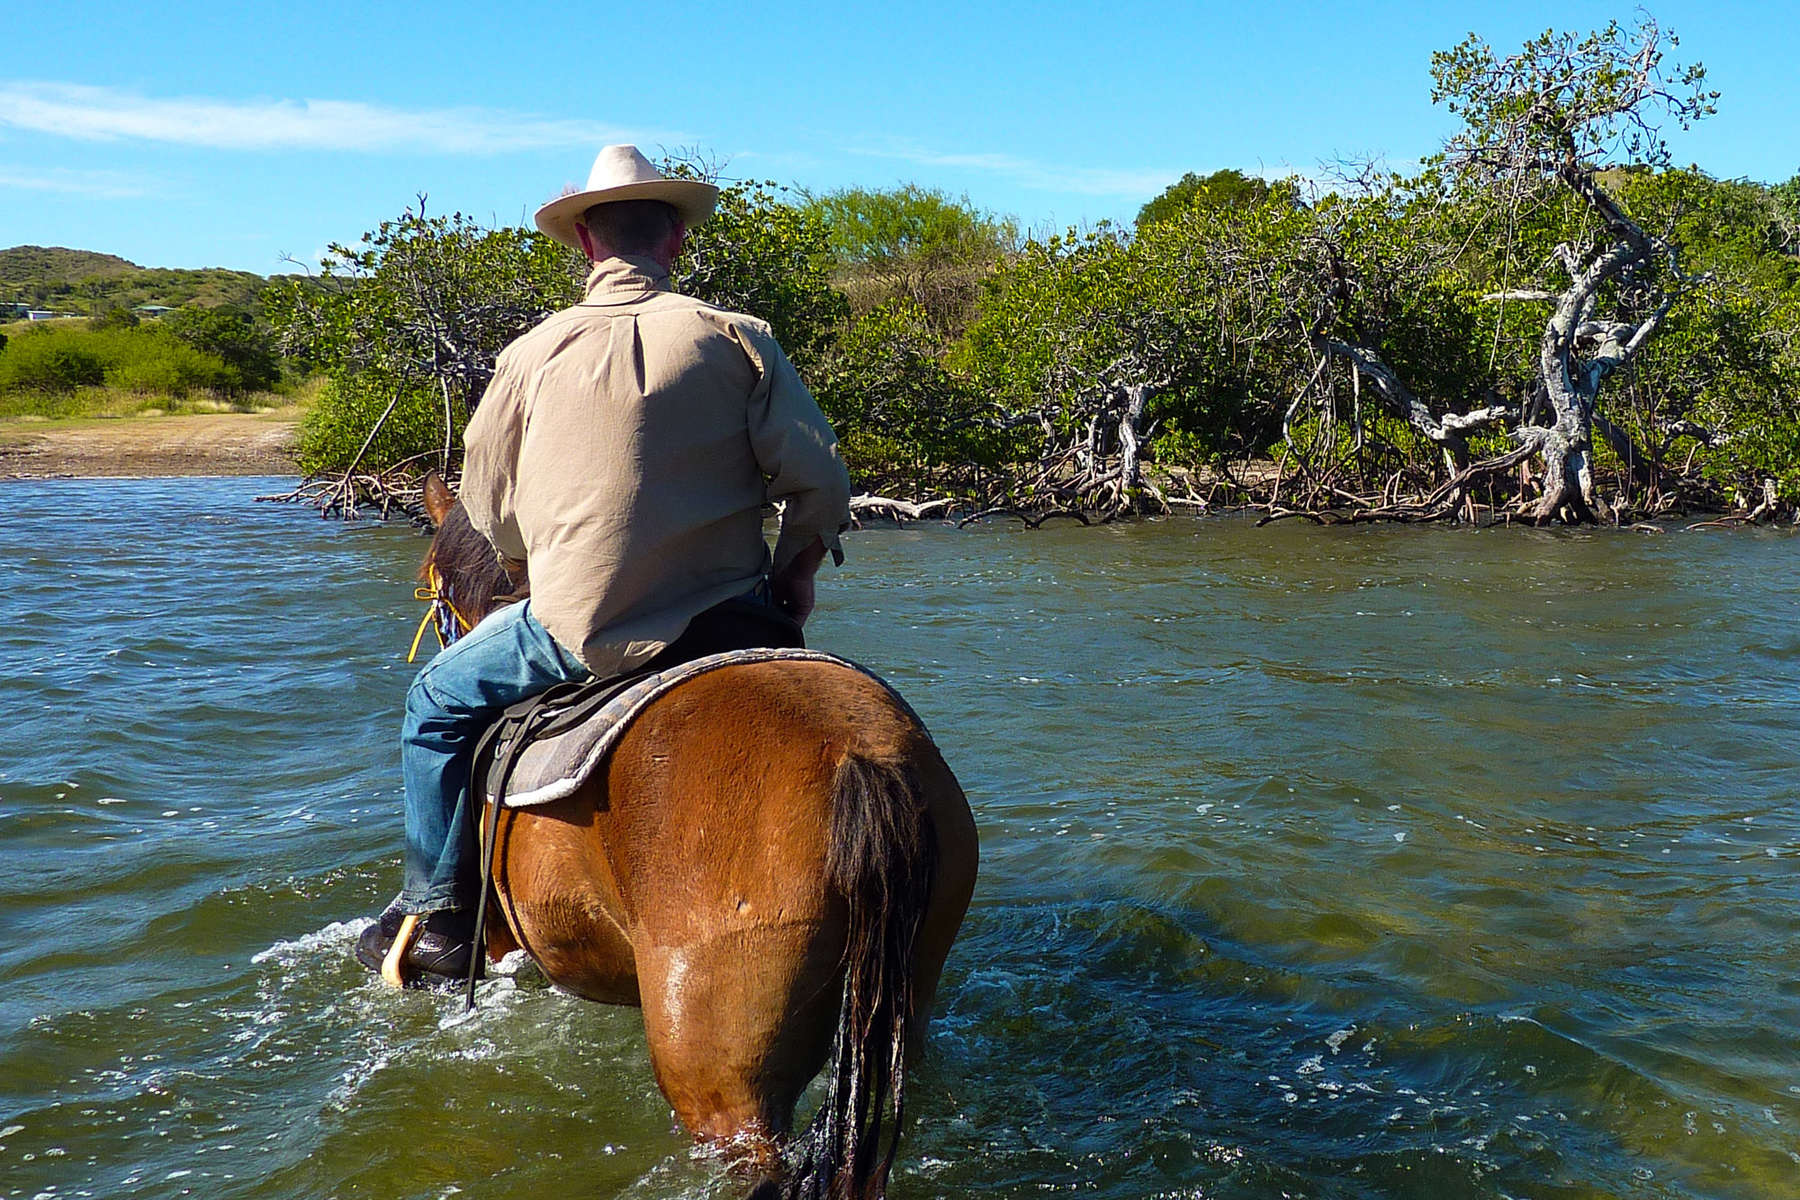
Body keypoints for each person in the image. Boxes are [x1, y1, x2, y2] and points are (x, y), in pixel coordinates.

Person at [356, 145, 853, 983]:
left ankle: (440, 914)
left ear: (586, 242)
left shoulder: (527, 356)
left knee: (435, 703)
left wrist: (533, 558)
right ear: (677, 243)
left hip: (584, 630)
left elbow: (490, 510)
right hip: (733, 613)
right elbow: (821, 481)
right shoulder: (739, 338)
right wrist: (794, 575)